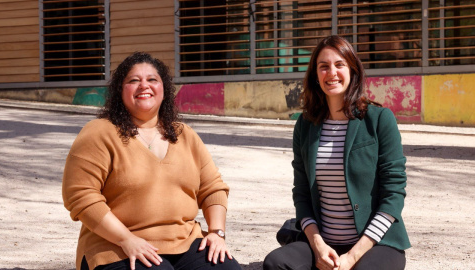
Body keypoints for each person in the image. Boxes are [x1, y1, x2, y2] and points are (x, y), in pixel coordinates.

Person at [62, 52, 241, 270]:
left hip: (184, 241)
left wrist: (216, 233)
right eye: (133, 80)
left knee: (226, 268)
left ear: (164, 89)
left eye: (152, 80)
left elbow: (213, 188)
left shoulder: (185, 134)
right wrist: (126, 239)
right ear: (120, 90)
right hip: (114, 245)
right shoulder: (99, 133)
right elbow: (80, 196)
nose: (143, 86)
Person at [263, 36, 410, 270]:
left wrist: (352, 257)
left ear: (352, 70)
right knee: (275, 263)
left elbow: (394, 193)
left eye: (339, 64)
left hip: (374, 243)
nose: (331, 72)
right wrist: (318, 245)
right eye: (324, 66)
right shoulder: (305, 124)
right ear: (315, 75)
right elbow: (301, 193)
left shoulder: (380, 119)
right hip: (324, 241)